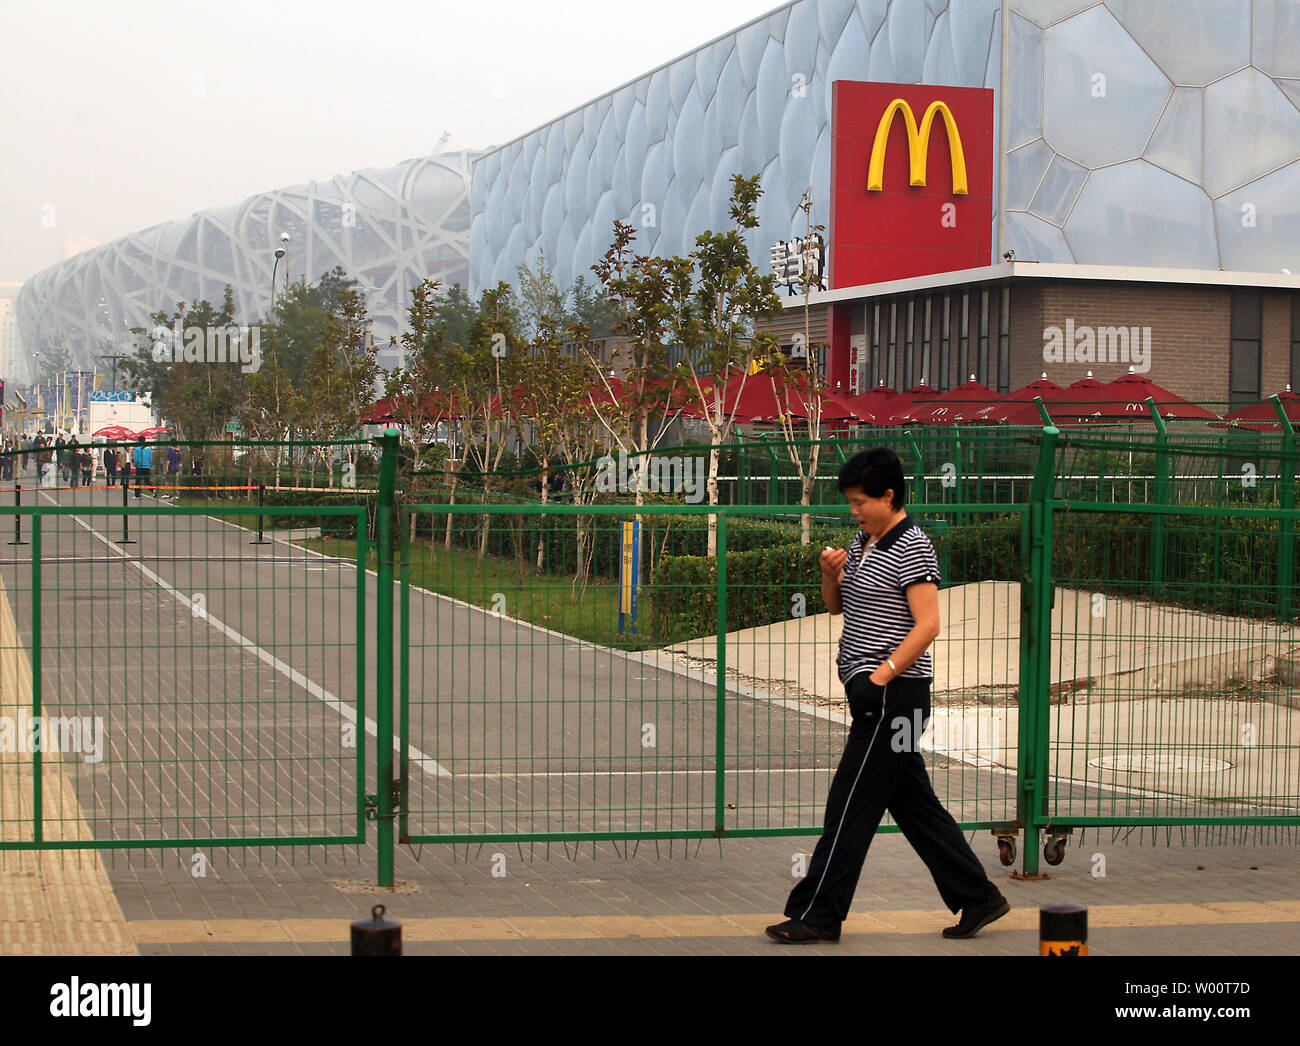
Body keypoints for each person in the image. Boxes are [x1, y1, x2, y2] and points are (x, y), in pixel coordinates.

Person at [766, 448, 1010, 945]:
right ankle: (979, 897)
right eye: (851, 503)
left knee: (850, 804)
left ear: (888, 495)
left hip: (895, 699)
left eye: (860, 502)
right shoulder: (863, 542)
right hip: (874, 695)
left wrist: (880, 677)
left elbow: (929, 625)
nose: (853, 511)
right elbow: (838, 607)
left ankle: (818, 914)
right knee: (915, 806)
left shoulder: (913, 546)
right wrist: (829, 572)